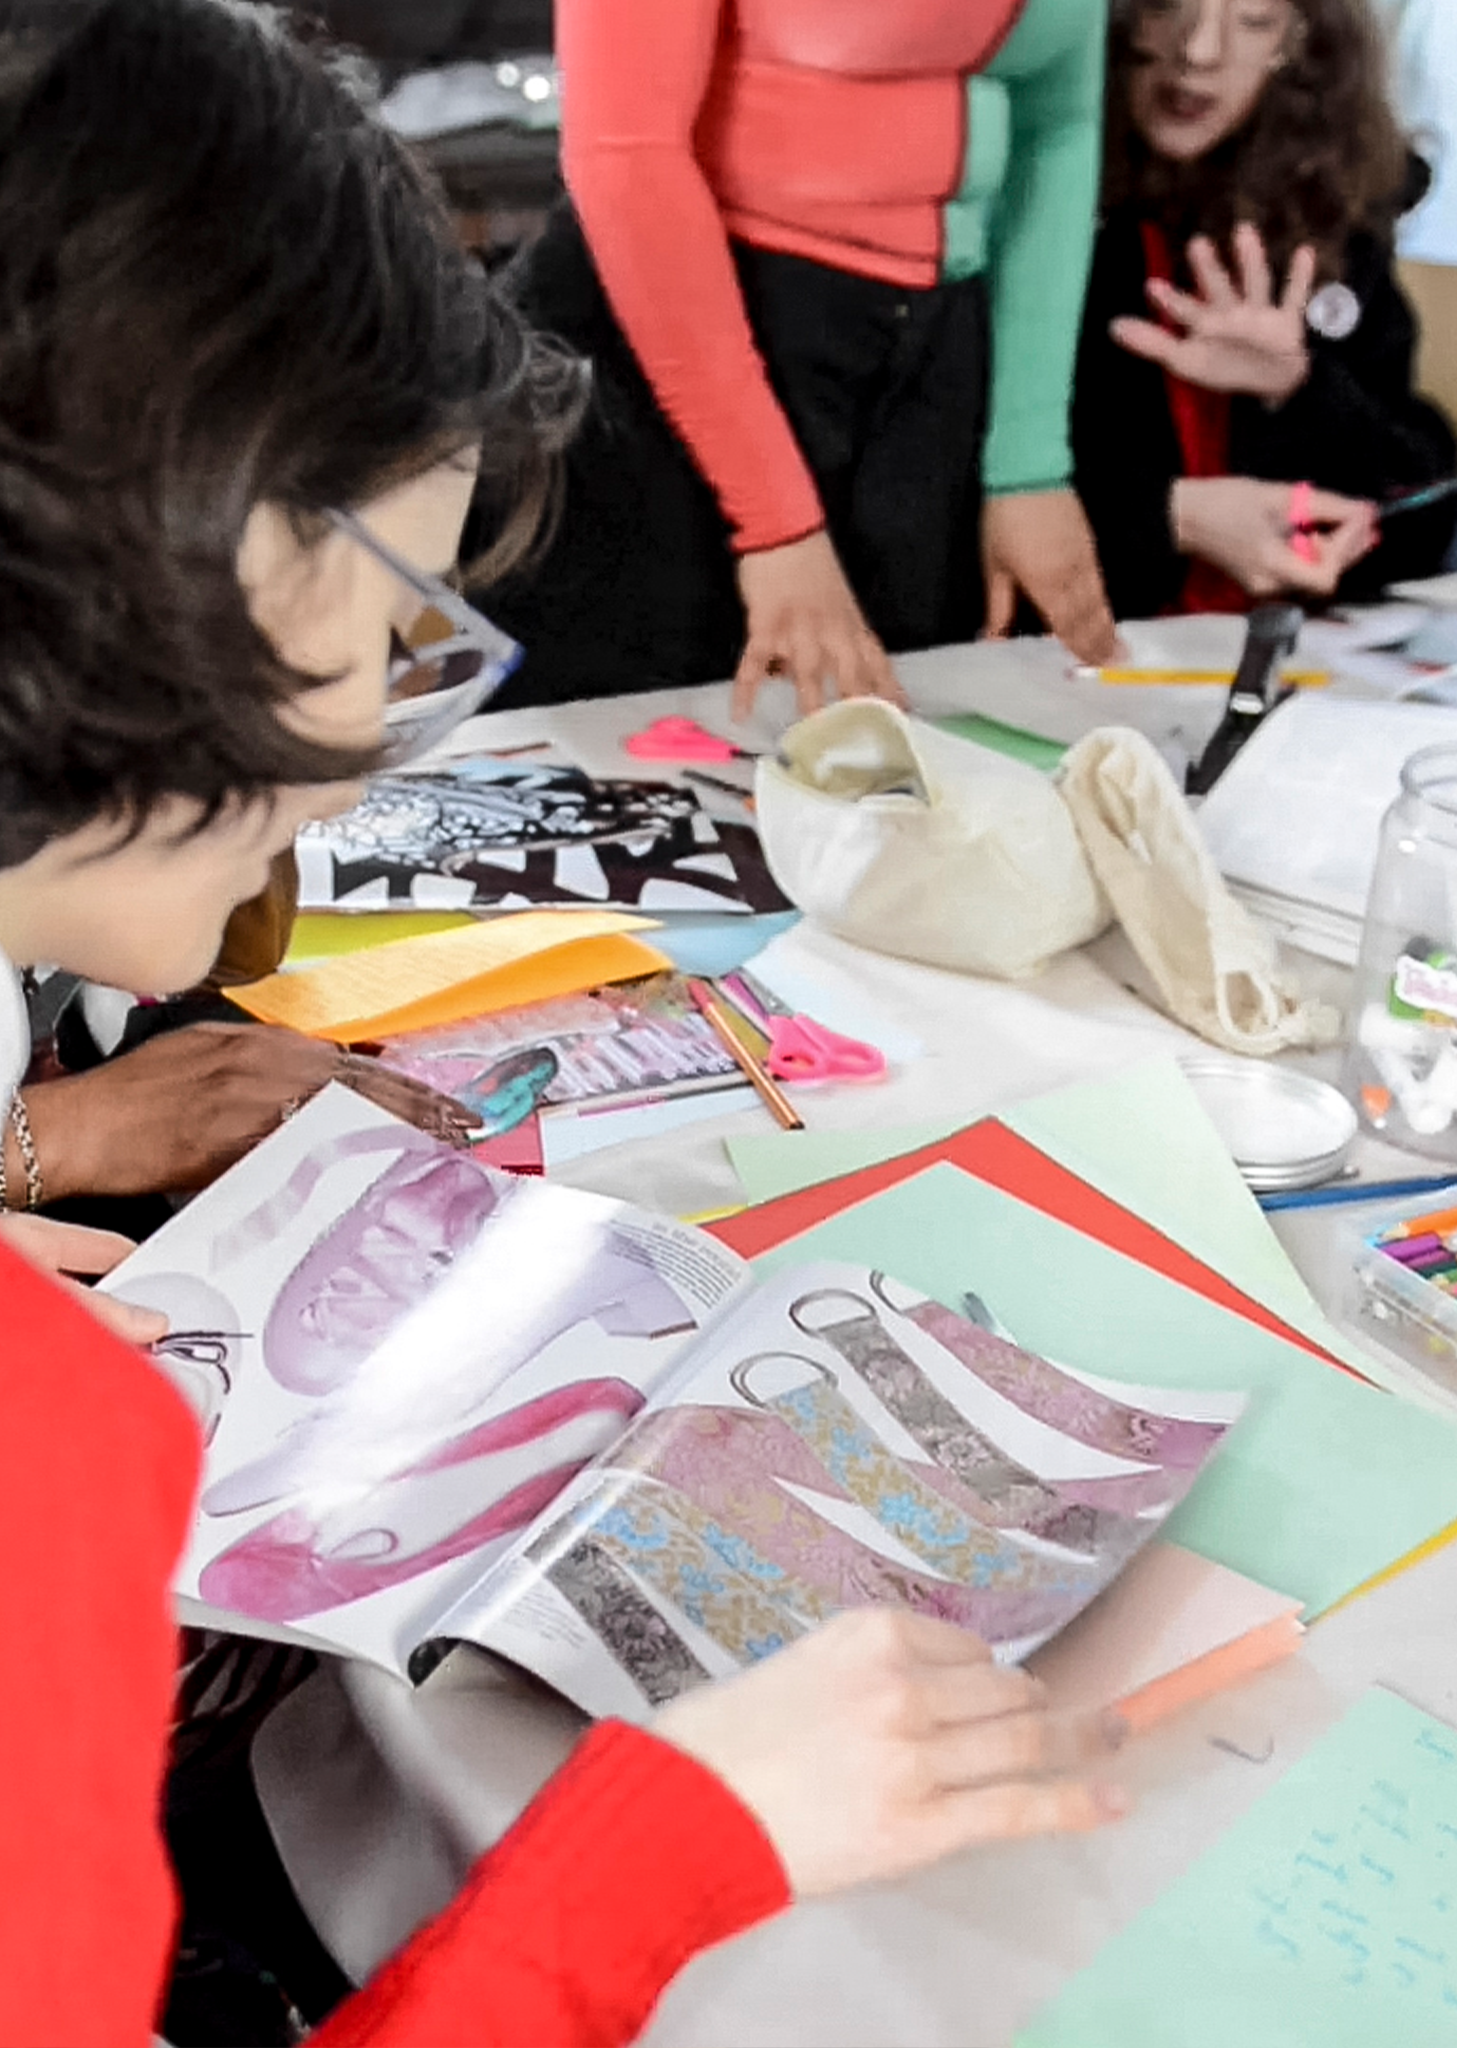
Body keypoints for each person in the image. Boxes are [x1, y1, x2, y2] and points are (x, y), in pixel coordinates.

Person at [0, 8, 1122, 2045]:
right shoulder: (40, 1459)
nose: (358, 780)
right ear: (187, 558)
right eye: (395, 636)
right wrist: (678, 1837)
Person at [483, 0, 1123, 718]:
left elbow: (1057, 121)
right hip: (668, 355)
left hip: (927, 364)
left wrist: (1028, 467)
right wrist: (776, 521)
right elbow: (627, 155)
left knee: (901, 767)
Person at [1071, 0, 1457, 618]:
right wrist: (1169, 518)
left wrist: (1298, 391)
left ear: (1300, 40)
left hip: (1274, 659)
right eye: (1165, 6)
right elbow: (944, 496)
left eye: (1253, 19)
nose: (1200, 51)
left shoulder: (1334, 217)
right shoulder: (1038, 208)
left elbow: (1419, 511)